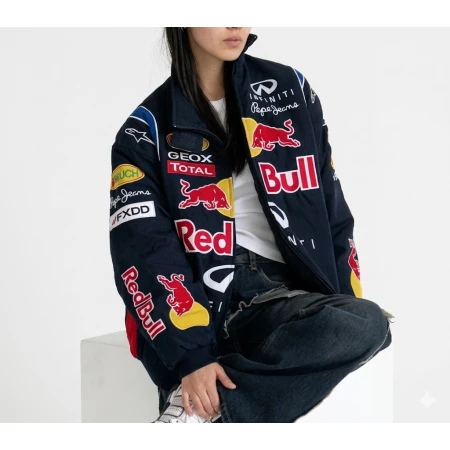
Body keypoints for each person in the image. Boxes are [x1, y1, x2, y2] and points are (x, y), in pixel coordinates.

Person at [109, 27, 395, 423]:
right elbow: (144, 249)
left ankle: (205, 413)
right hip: (207, 301)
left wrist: (345, 303)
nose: (235, 22)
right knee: (365, 327)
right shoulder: (146, 129)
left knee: (367, 323)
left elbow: (331, 208)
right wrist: (192, 356)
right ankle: (206, 390)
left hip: (284, 298)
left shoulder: (290, 91)